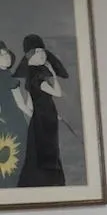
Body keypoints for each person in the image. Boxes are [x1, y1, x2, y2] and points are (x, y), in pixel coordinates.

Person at [14, 34, 69, 188]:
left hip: (41, 120)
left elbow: (30, 105)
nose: (43, 54)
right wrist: (53, 75)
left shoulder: (31, 75)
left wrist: (44, 113)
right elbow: (57, 93)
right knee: (48, 154)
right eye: (38, 52)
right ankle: (51, 184)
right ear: (30, 55)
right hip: (45, 121)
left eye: (43, 51)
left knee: (37, 154)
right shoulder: (38, 75)